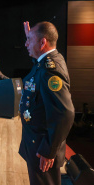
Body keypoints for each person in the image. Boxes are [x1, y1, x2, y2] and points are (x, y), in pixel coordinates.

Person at [18, 21, 75, 185]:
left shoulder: (51, 69)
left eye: (29, 39)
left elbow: (65, 113)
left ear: (43, 42)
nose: (25, 43)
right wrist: (30, 36)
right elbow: (38, 65)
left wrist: (48, 150)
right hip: (37, 144)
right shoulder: (45, 62)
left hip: (42, 150)